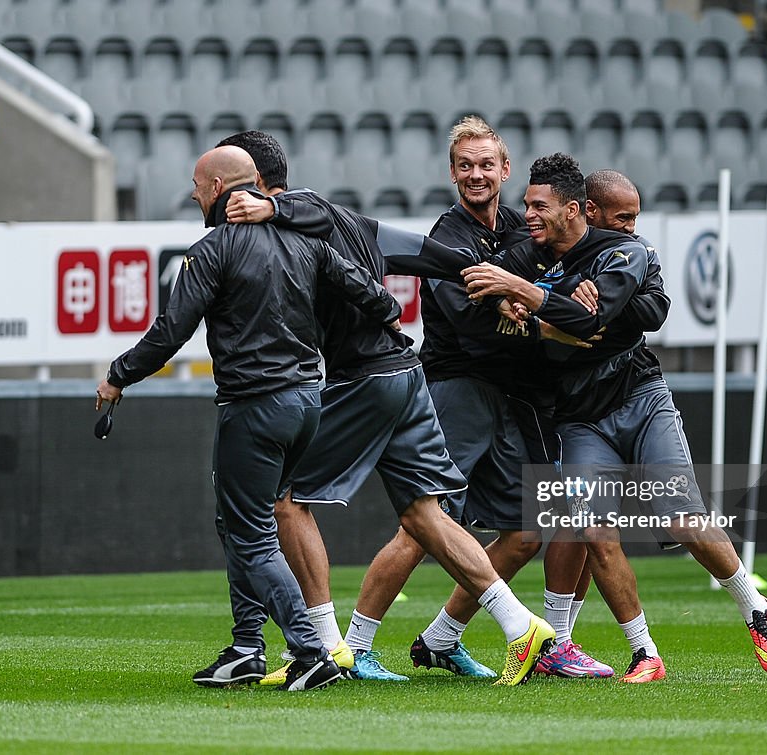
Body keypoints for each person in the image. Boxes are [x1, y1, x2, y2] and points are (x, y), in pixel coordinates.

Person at [219, 130, 556, 686]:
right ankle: (521, 625)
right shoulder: (357, 225)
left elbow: (311, 208)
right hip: (407, 373)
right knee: (424, 515)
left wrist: (272, 205)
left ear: (252, 185)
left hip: (366, 380)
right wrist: (497, 286)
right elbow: (434, 257)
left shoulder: (298, 218)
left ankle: (327, 648)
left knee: (285, 499)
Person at [462, 153, 767, 681]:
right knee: (594, 532)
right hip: (578, 417)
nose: (528, 214)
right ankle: (644, 653)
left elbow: (631, 313)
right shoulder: (530, 254)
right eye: (527, 204)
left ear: (573, 211)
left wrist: (538, 301)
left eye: (537, 205)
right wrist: (532, 308)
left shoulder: (624, 251)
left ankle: (755, 608)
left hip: (640, 399)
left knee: (681, 520)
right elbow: (493, 309)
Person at [95, 145, 405, 692]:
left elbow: (171, 333)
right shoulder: (307, 242)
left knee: (252, 533)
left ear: (217, 189)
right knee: (237, 524)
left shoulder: (211, 250)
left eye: (197, 185)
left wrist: (118, 376)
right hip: (308, 404)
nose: (193, 194)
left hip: (255, 407)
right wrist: (370, 326)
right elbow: (378, 298)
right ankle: (246, 649)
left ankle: (310, 651)